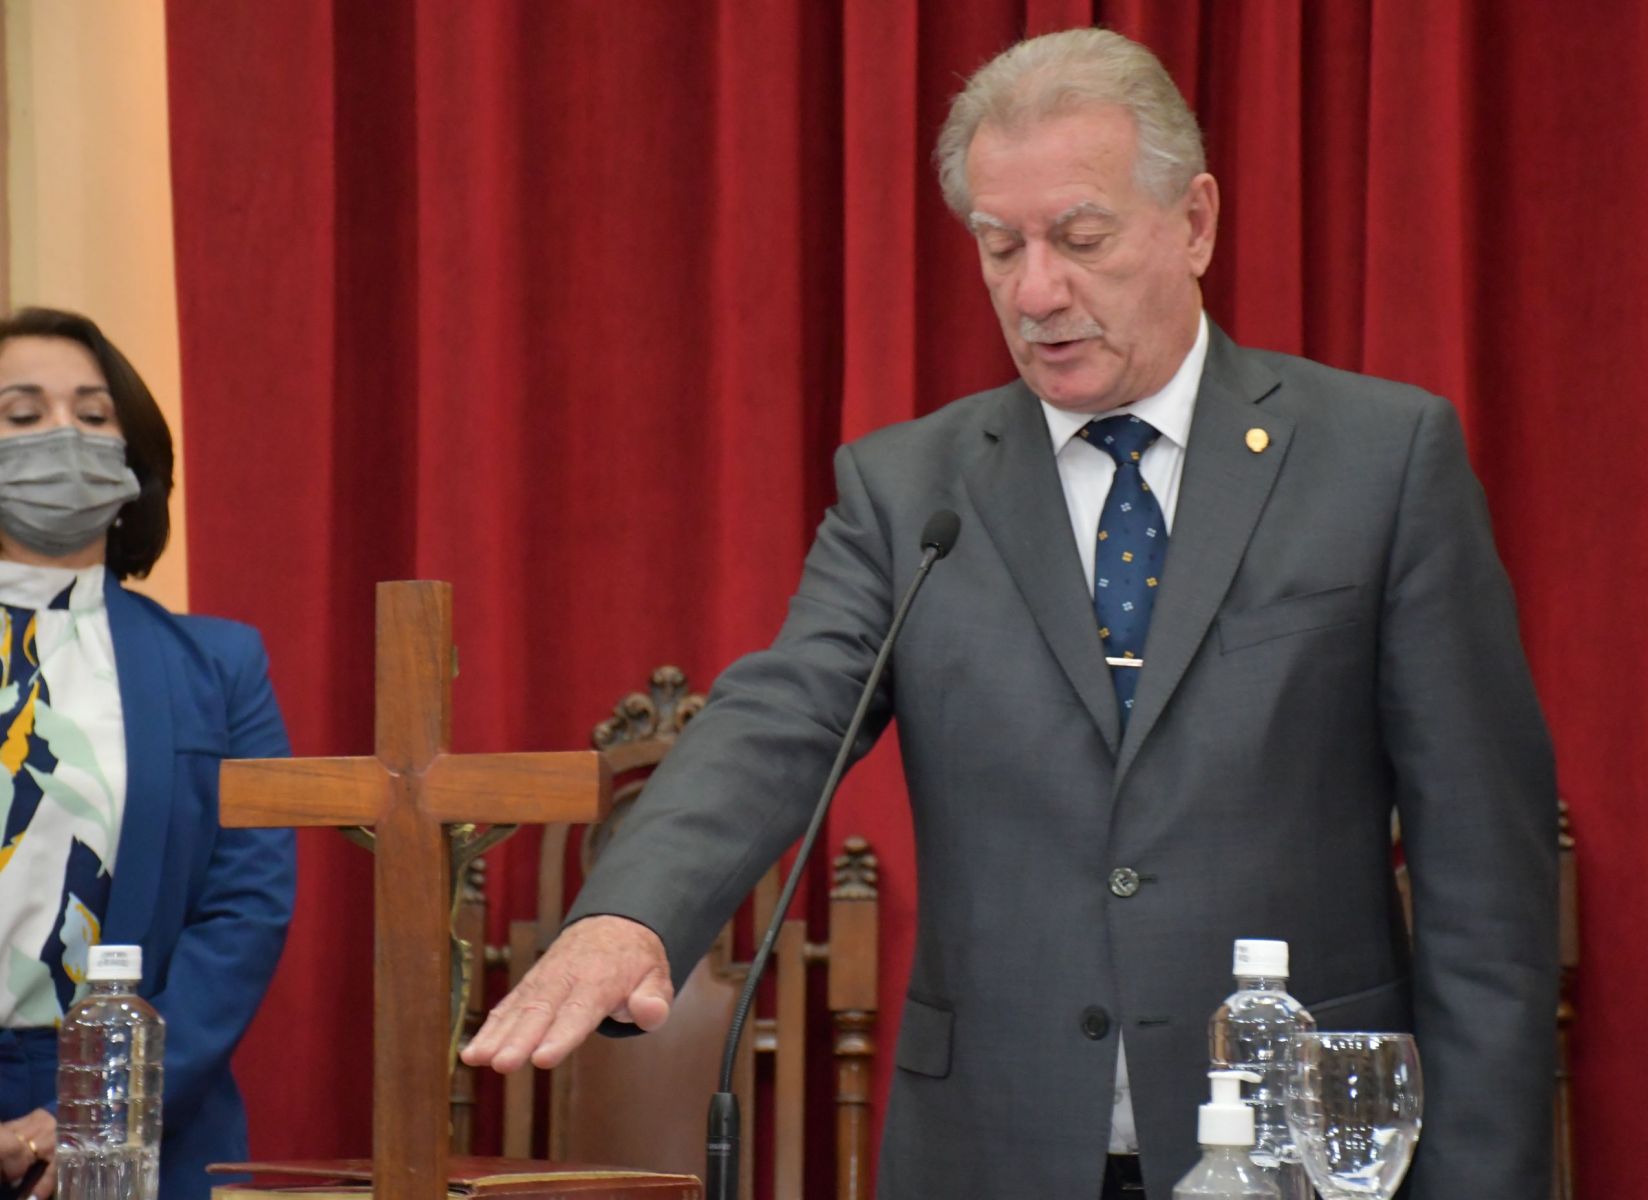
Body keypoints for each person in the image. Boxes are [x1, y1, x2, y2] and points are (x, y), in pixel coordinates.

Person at [465, 28, 1558, 1200]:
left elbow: (1483, 878)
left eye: (1081, 240)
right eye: (1001, 247)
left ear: (1194, 222)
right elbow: (782, 715)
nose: (1037, 293)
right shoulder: (912, 492)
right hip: (993, 1147)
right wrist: (632, 915)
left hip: (1300, 1154)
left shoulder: (1378, 463)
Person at [0, 307, 295, 1200]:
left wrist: (103, 1105)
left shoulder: (221, 664)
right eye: (22, 414)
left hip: (144, 1109)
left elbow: (246, 908)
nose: (64, 435)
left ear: (132, 458)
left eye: (93, 415)